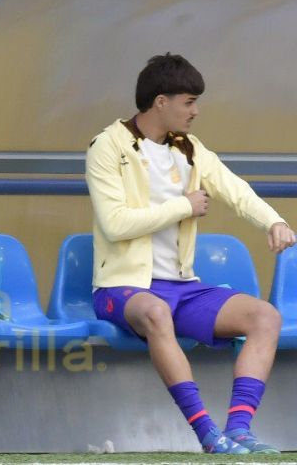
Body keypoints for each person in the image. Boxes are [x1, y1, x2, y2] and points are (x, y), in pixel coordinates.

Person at [85, 53, 295, 455]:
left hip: (182, 288)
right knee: (155, 312)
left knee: (265, 317)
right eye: (189, 102)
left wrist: (274, 221)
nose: (195, 111)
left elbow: (235, 190)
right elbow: (115, 224)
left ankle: (239, 431)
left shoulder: (190, 149)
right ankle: (208, 435)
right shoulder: (106, 146)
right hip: (122, 288)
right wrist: (185, 206)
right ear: (160, 101)